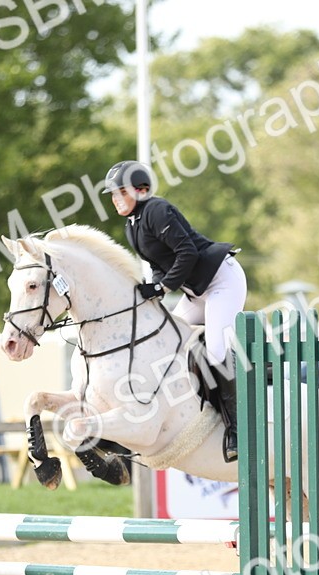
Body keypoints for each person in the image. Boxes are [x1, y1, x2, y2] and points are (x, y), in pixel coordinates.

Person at [102, 160, 248, 462]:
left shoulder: (157, 210)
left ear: (141, 191)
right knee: (165, 344)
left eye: (120, 192)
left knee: (218, 351)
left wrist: (162, 289)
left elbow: (187, 252)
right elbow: (159, 265)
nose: (115, 198)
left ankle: (237, 429)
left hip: (222, 281)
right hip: (196, 292)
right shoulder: (132, 225)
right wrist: (153, 291)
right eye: (112, 194)